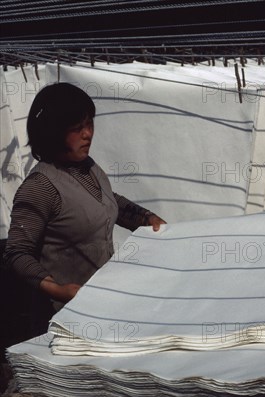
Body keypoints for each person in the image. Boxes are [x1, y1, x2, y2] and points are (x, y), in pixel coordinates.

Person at [3, 82, 166, 332]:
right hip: (61, 315)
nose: (87, 134)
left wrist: (146, 218)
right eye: (77, 128)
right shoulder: (40, 187)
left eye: (89, 124)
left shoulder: (87, 167)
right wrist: (57, 289)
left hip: (99, 305)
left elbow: (108, 201)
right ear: (53, 132)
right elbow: (17, 253)